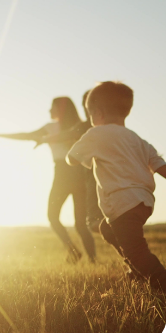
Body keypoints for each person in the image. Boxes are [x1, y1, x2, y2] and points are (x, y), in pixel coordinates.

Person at [67, 82, 166, 290]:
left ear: (98, 113)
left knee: (136, 250)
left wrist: (78, 158)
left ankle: (159, 281)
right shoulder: (138, 139)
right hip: (144, 202)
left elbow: (71, 158)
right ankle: (138, 271)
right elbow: (160, 166)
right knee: (107, 228)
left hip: (123, 204)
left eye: (90, 114)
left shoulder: (96, 134)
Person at [0, 97, 96, 263]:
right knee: (81, 223)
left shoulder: (51, 128)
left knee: (52, 216)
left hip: (63, 174)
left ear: (61, 109)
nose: (49, 110)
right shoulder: (81, 126)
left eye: (52, 107)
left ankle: (74, 252)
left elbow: (27, 135)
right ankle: (92, 261)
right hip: (81, 174)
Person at [37, 91, 104, 232]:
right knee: (84, 223)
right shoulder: (87, 126)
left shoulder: (85, 127)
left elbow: (69, 142)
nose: (86, 110)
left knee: (89, 222)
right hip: (88, 175)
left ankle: (77, 251)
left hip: (77, 174)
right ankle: (89, 253)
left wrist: (44, 139)